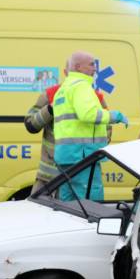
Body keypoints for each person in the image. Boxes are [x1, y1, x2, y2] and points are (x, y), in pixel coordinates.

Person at [52, 51, 128, 202]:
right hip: (83, 157)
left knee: (68, 207)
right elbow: (89, 114)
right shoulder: (81, 87)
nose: (95, 68)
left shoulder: (62, 90)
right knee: (91, 206)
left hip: (65, 157)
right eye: (92, 64)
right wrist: (115, 116)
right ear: (78, 67)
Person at [25, 64, 111, 194]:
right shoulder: (51, 94)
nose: (94, 69)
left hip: (81, 176)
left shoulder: (96, 97)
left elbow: (106, 134)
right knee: (40, 213)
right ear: (66, 72)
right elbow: (31, 125)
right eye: (91, 66)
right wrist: (50, 109)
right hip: (50, 179)